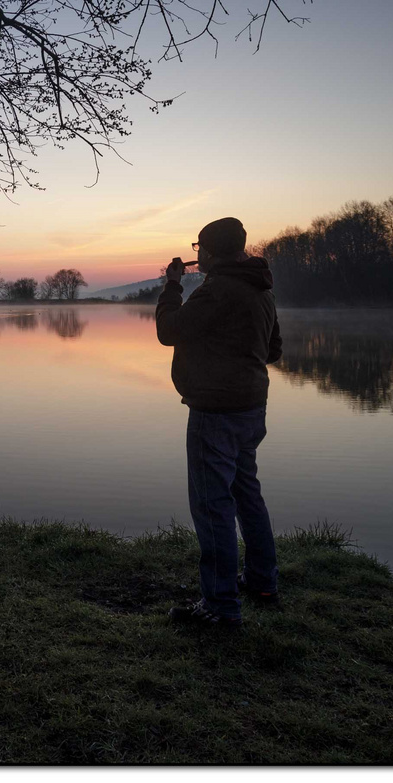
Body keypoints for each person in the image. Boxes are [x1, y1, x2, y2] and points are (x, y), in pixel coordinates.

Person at [156, 217, 283, 631]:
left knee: (212, 507)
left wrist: (172, 286)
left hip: (216, 413)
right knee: (247, 494)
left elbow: (168, 330)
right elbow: (274, 349)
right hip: (251, 407)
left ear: (207, 252)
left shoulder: (217, 290)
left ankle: (220, 607)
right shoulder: (260, 286)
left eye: (199, 249)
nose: (197, 256)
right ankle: (263, 582)